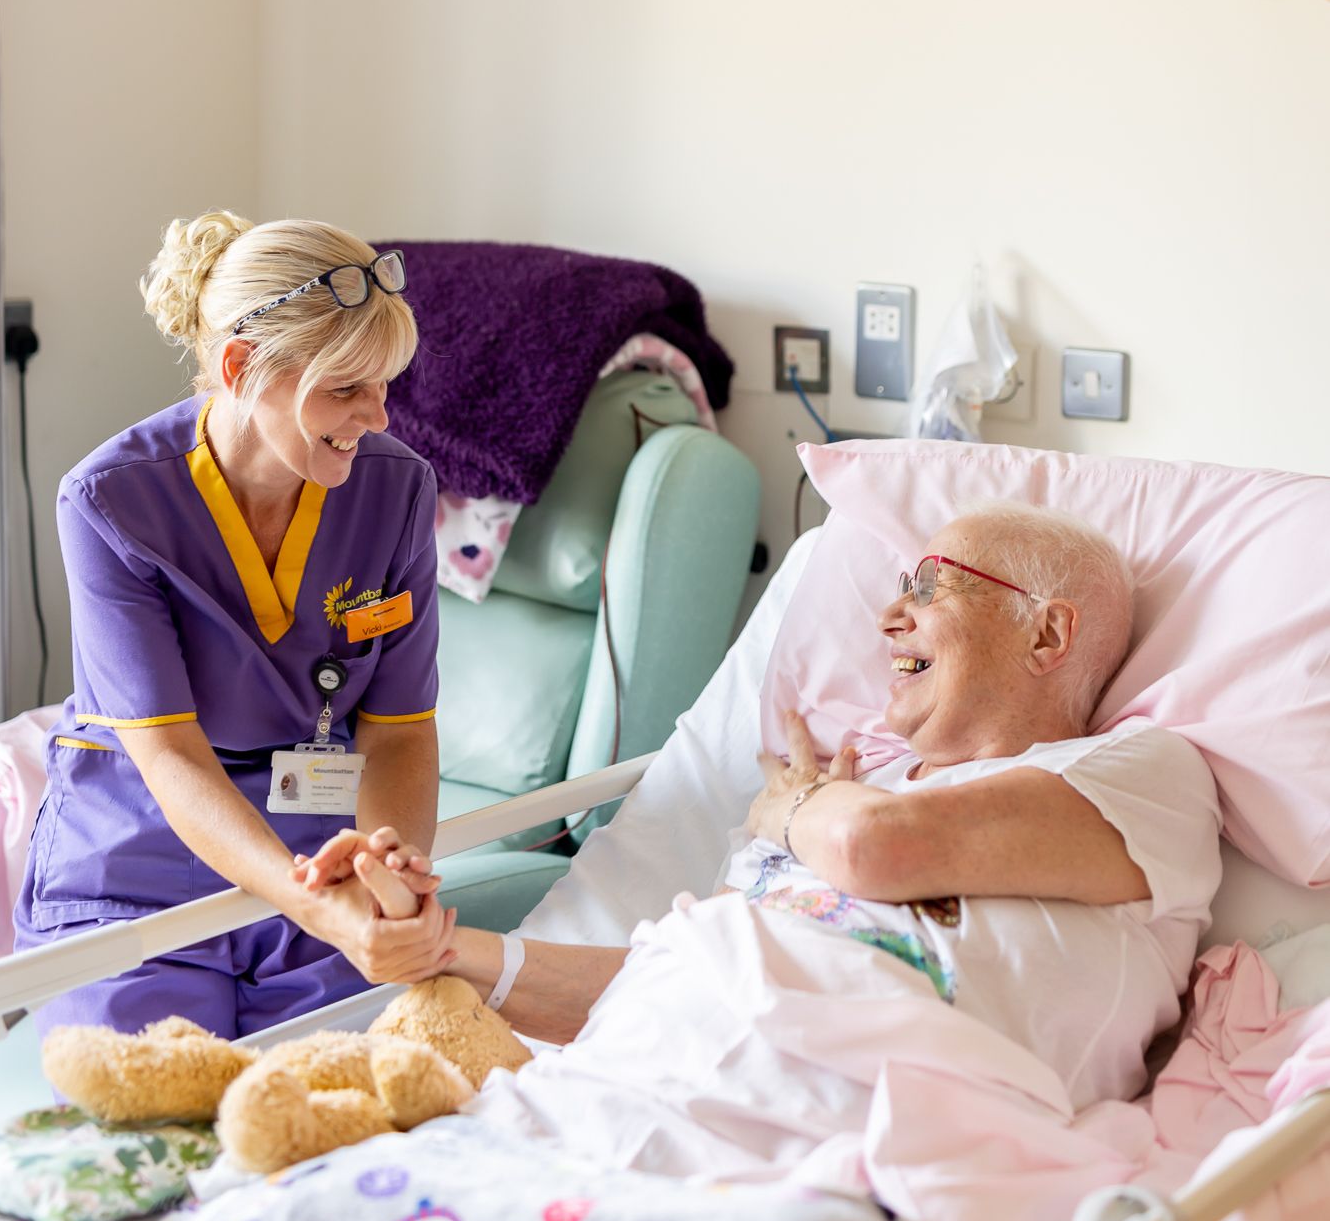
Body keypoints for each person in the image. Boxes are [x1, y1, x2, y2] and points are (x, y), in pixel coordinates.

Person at [347, 503, 1223, 1178]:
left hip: (833, 1137)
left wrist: (792, 810)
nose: (888, 618)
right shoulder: (851, 797)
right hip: (629, 1089)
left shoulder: (1138, 773)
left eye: (927, 587)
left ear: (1047, 631)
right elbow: (665, 975)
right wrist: (443, 947)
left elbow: (879, 851)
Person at [15, 212, 458, 1039]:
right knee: (146, 1103)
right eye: (346, 388)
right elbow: (169, 754)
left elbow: (399, 732)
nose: (380, 416)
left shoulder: (397, 491)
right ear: (240, 366)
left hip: (318, 844)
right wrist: (316, 905)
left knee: (339, 1093)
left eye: (385, 385)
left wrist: (382, 874)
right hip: (139, 853)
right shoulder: (111, 503)